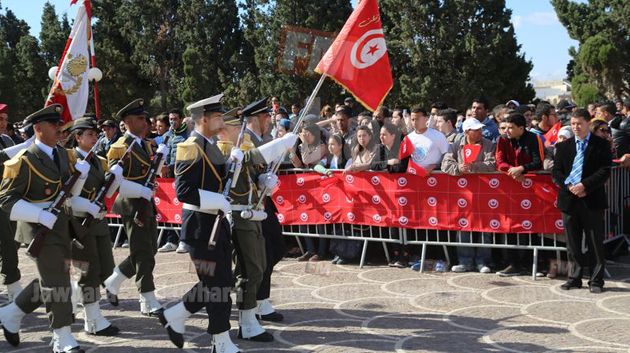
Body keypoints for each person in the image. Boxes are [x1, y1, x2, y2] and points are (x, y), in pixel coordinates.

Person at [0, 104, 91, 353]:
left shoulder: (63, 155)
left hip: (63, 225)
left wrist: (80, 177)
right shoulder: (23, 161)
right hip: (39, 229)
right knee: (57, 282)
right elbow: (6, 200)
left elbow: (69, 193)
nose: (59, 129)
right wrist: (39, 214)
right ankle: (62, 337)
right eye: (53, 125)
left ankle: (12, 312)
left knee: (52, 278)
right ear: (38, 129)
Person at [157, 94, 241, 352]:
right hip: (200, 226)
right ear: (203, 119)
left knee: (221, 282)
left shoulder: (212, 145)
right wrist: (219, 201)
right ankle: (220, 340)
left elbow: (219, 183)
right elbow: (183, 191)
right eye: (217, 116)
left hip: (216, 222)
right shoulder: (190, 146)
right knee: (216, 285)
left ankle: (175, 315)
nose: (221, 120)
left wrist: (233, 165)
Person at [225, 97, 297, 341]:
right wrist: (280, 144)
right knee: (249, 267)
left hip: (256, 208)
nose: (270, 120)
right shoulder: (240, 143)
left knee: (259, 261)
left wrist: (266, 184)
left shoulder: (253, 141)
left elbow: (252, 175)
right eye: (266, 117)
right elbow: (247, 161)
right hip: (242, 211)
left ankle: (253, 311)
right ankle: (248, 316)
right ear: (254, 118)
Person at [103, 99, 168, 317]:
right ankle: (147, 298)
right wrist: (139, 191)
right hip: (132, 205)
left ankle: (114, 280)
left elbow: (152, 172)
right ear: (128, 121)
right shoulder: (119, 148)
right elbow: (113, 182)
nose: (146, 122)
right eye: (141, 118)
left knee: (150, 249)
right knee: (143, 253)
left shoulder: (147, 144)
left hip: (146, 203)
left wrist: (161, 159)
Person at [65, 118, 120, 336]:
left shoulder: (98, 160)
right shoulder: (70, 160)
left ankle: (72, 301)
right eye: (89, 133)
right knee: (88, 272)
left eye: (95, 134)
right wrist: (87, 205)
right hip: (80, 223)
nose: (94, 137)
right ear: (77, 137)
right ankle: (93, 319)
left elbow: (105, 193)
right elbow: (67, 197)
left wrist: (114, 180)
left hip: (97, 222)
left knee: (105, 268)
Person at [553, 108, 612, 293]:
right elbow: (556, 172)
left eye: (579, 124)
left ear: (588, 123)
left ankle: (596, 281)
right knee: (572, 243)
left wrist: (584, 186)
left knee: (595, 242)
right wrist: (569, 185)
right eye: (572, 124)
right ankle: (574, 277)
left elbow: (604, 171)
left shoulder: (601, 145)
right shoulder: (563, 146)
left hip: (591, 199)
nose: (576, 127)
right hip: (569, 200)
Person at [441, 118, 496, 273]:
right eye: (475, 130)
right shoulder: (455, 145)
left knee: (485, 227)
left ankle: (483, 261)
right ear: (466, 132)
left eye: (480, 129)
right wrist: (459, 168)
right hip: (462, 196)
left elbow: (493, 164)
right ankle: (465, 261)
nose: (480, 132)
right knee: (463, 226)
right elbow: (445, 165)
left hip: (485, 194)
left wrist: (474, 167)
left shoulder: (489, 144)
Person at [495, 113, 544, 276]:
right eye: (506, 127)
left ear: (521, 128)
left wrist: (522, 169)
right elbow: (500, 161)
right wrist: (512, 171)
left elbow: (538, 161)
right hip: (510, 188)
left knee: (531, 226)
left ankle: (532, 263)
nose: (507, 131)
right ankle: (512, 264)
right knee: (510, 226)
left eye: (511, 128)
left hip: (530, 189)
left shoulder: (533, 138)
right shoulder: (502, 139)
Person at [406, 108, 449, 172]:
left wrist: (435, 166)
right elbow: (405, 159)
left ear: (426, 119)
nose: (414, 122)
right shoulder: (408, 138)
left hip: (435, 176)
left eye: (417, 119)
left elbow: (447, 155)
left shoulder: (438, 136)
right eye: (412, 119)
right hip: (414, 177)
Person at [163, 108, 189, 178]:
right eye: (170, 119)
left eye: (175, 119)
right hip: (168, 173)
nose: (172, 122)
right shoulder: (166, 136)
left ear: (181, 119)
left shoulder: (188, 135)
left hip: (181, 173)